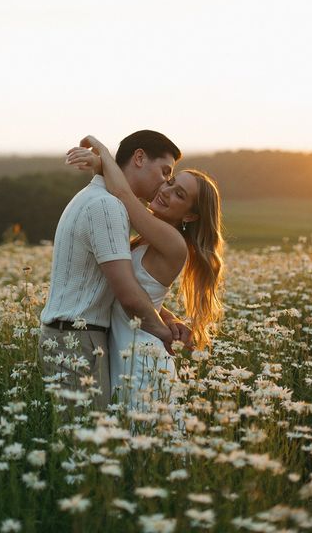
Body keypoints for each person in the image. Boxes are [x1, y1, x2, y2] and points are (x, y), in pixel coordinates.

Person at [66, 136, 224, 405]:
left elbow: (124, 194)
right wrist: (169, 318)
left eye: (179, 195)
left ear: (190, 216)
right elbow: (141, 292)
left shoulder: (173, 242)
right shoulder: (150, 236)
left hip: (142, 360)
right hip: (125, 354)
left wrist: (103, 156)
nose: (165, 190)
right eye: (171, 182)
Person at [39, 130, 189, 410]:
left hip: (78, 337)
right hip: (77, 340)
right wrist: (166, 335)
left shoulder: (98, 199)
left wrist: (166, 317)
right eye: (164, 171)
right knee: (89, 445)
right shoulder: (108, 206)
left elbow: (127, 284)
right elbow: (129, 294)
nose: (164, 183)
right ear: (140, 158)